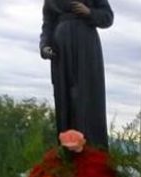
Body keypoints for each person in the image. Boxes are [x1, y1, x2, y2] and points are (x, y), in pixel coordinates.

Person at [40, 0, 114, 148]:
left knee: (88, 95)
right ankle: (68, 148)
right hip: (61, 49)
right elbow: (47, 25)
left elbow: (108, 17)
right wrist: (45, 45)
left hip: (86, 45)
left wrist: (90, 13)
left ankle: (92, 148)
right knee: (64, 96)